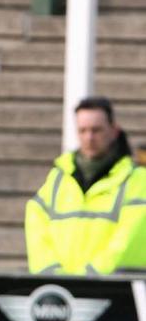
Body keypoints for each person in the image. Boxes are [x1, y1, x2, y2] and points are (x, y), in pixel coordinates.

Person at [26, 96, 146, 275]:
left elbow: (128, 238)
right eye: (82, 130)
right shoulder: (58, 178)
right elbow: (36, 223)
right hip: (64, 291)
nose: (89, 137)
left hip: (118, 293)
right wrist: (50, 273)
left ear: (114, 130)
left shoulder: (137, 179)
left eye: (96, 130)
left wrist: (91, 276)